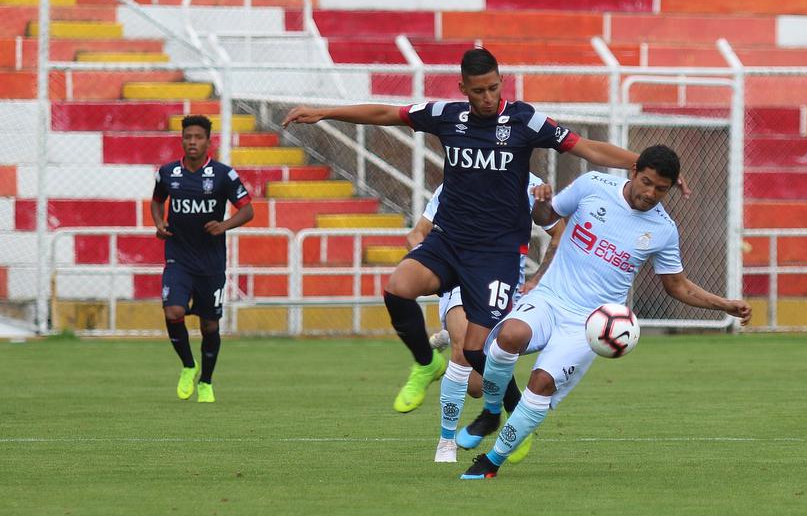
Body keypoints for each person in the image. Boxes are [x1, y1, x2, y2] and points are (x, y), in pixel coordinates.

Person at [283, 48, 641, 463]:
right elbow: (387, 113)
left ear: (501, 81)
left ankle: (513, 421)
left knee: (477, 353)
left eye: (493, 88)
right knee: (398, 288)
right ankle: (425, 364)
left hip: (497, 254)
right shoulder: (447, 115)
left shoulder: (526, 120)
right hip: (450, 241)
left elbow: (586, 148)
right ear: (463, 89)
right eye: (478, 91)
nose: (487, 97)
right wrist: (325, 112)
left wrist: (640, 163)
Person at [459, 145, 752, 479]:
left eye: (661, 189)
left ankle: (492, 462)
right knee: (509, 337)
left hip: (590, 324)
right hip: (550, 297)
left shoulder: (663, 230)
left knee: (541, 383)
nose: (651, 193)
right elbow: (546, 218)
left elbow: (678, 286)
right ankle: (492, 411)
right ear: (634, 171)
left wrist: (726, 304)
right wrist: (541, 202)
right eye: (646, 182)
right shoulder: (593, 185)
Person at [406, 172, 566, 463]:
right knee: (463, 353)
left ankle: (447, 341)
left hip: (503, 286)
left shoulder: (531, 185)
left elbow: (560, 232)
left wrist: (539, 278)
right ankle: (446, 443)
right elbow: (419, 232)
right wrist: (428, 262)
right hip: (459, 276)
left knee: (477, 387)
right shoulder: (459, 178)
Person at [151, 115, 254, 403]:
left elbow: (247, 210)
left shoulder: (223, 175)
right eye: (187, 137)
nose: (192, 142)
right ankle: (188, 366)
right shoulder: (168, 173)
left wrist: (224, 225)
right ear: (182, 140)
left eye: (198, 137)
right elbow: (157, 202)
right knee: (173, 312)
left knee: (209, 326)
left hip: (210, 264)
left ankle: (206, 381)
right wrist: (159, 224)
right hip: (178, 258)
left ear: (209, 141)